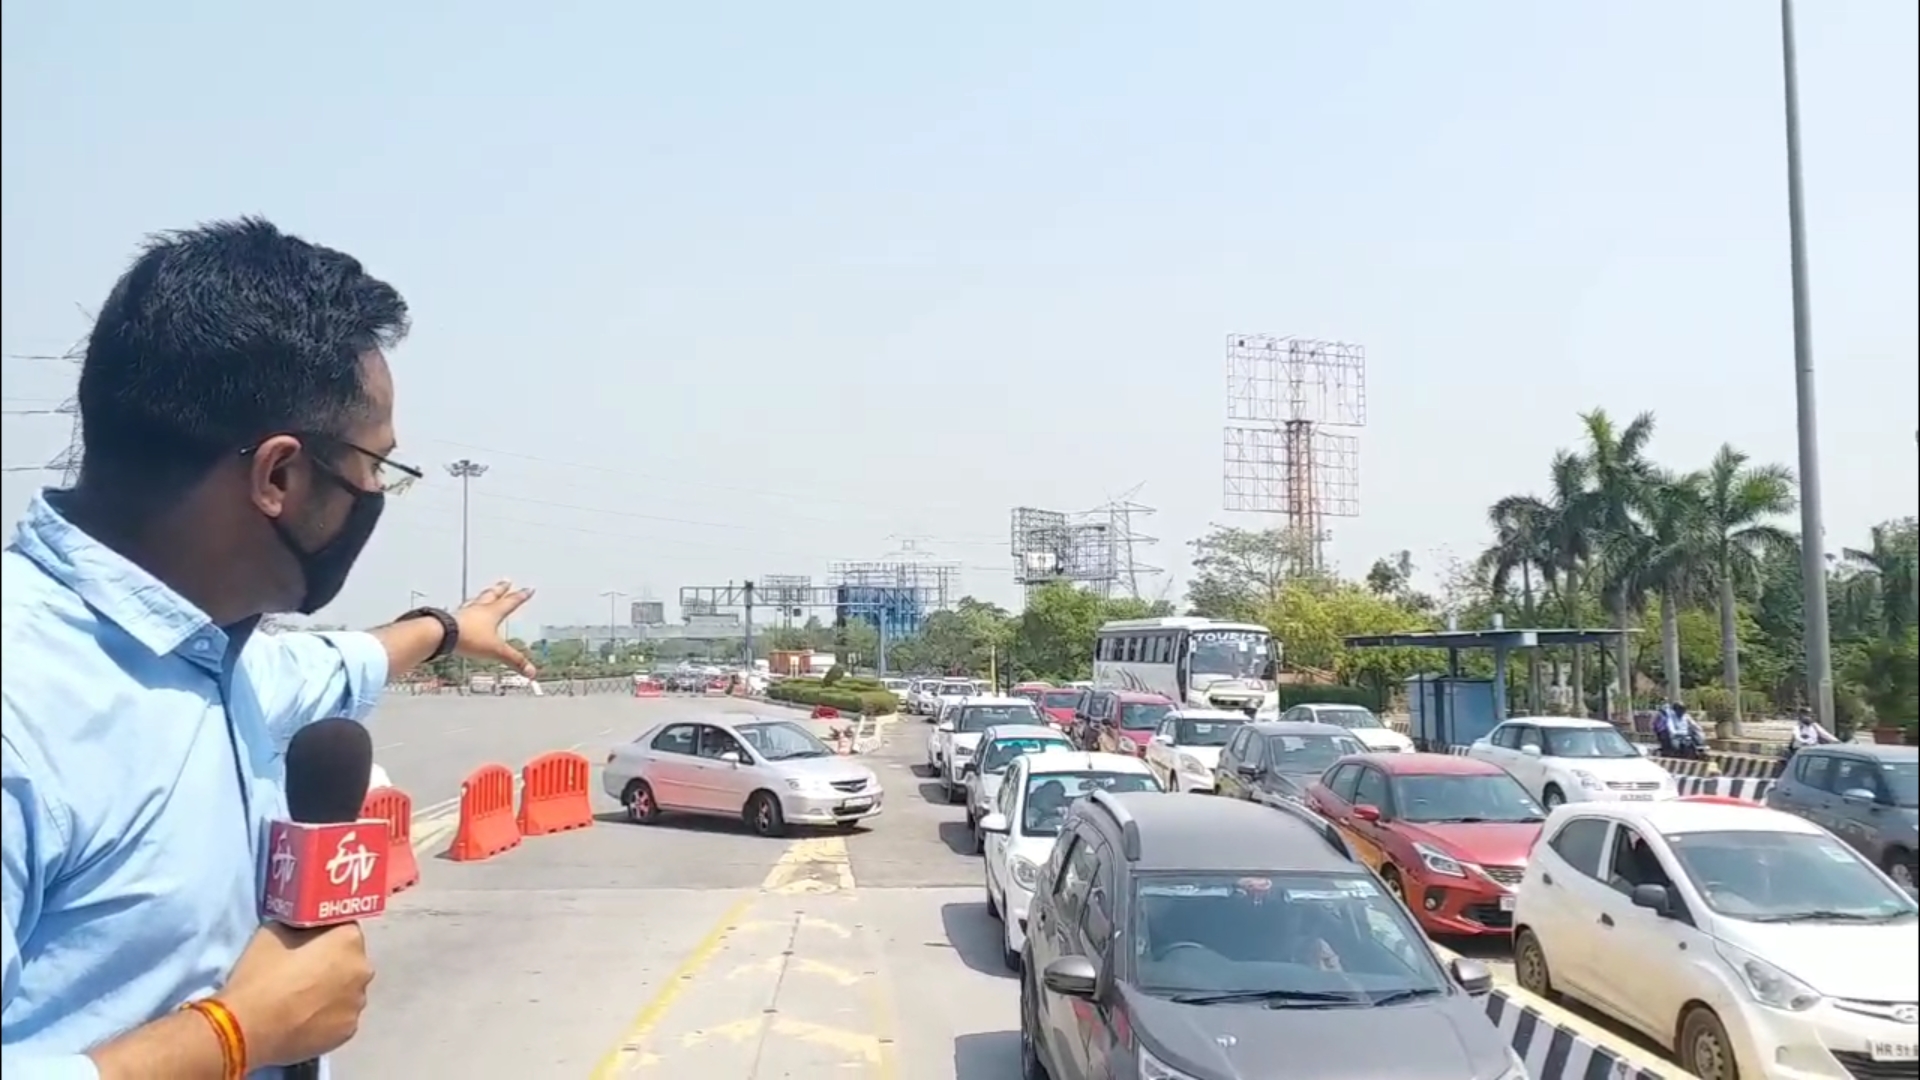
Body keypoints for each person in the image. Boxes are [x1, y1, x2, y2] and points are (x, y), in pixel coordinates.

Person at [2, 219, 536, 1080]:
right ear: (279, 476)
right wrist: (231, 1035)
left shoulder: (213, 661)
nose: (373, 496)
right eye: (374, 468)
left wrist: (445, 630)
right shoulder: (25, 707)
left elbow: (341, 663)